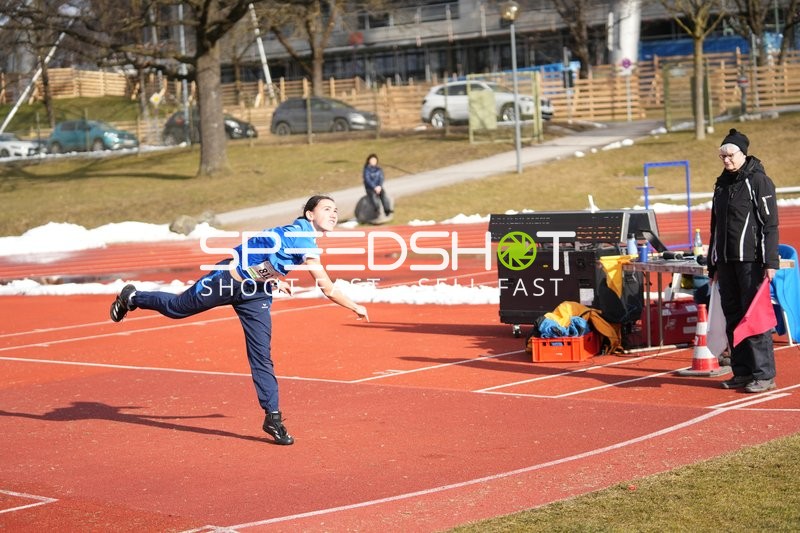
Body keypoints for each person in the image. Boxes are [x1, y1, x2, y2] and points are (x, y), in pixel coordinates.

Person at [108, 195, 369, 445]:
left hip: (255, 294)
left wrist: (272, 279)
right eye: (327, 209)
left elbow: (262, 261)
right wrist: (354, 306)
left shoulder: (299, 237)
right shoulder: (300, 238)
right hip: (225, 282)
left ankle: (273, 417)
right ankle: (133, 298)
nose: (333, 214)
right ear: (310, 214)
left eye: (335, 210)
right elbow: (326, 287)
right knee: (177, 308)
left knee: (261, 355)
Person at [708, 128, 779, 393]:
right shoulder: (721, 185)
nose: (725, 160)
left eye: (729, 155)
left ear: (742, 153)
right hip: (726, 263)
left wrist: (770, 262)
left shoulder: (759, 181)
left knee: (754, 318)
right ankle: (742, 371)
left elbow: (770, 224)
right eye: (721, 155)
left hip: (751, 262)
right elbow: (715, 226)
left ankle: (764, 374)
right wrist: (712, 264)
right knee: (733, 317)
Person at [363, 153, 392, 218]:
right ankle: (377, 210)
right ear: (369, 161)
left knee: (384, 195)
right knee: (374, 197)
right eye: (372, 160)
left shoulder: (379, 169)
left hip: (379, 187)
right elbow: (367, 180)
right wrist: (374, 187)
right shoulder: (366, 170)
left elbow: (381, 178)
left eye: (375, 160)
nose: (373, 162)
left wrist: (379, 186)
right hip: (370, 188)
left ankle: (387, 210)